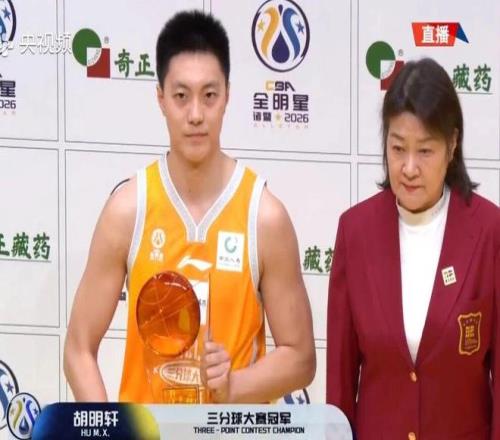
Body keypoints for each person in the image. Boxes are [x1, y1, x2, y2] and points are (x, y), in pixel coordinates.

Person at [64, 10, 315, 403]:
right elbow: (78, 348)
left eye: (209, 96)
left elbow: (300, 357)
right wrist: (111, 428)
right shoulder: (128, 211)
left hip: (234, 429)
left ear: (227, 96)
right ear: (161, 99)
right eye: (181, 96)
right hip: (146, 428)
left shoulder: (264, 217)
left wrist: (234, 386)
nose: (196, 115)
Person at [326, 58, 500, 439]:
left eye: (425, 151)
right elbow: (339, 386)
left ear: (452, 145)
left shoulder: (490, 231)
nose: (408, 168)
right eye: (397, 148)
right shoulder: (355, 232)